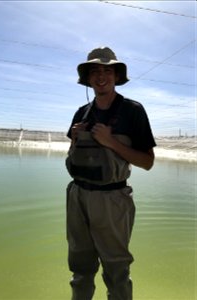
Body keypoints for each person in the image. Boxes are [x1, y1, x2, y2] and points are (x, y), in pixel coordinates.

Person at [65, 47, 156, 300]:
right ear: (88, 77)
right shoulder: (80, 113)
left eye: (107, 70)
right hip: (77, 197)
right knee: (80, 270)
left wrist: (111, 142)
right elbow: (72, 158)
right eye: (95, 70)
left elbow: (147, 162)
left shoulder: (133, 110)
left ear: (116, 76)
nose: (101, 75)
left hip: (112, 199)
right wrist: (74, 139)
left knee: (116, 271)